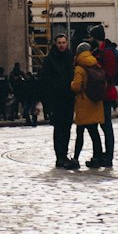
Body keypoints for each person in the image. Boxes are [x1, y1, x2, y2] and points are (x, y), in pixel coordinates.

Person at [39, 33, 78, 169]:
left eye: (63, 42)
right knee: (58, 128)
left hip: (68, 99)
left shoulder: (70, 58)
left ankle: (64, 154)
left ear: (67, 43)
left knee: (67, 128)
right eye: (59, 43)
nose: (61, 45)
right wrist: (47, 104)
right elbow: (44, 82)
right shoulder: (50, 60)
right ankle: (59, 156)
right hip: (56, 100)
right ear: (55, 44)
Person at [70, 41, 105, 169]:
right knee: (95, 134)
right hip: (96, 104)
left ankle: (75, 159)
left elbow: (76, 86)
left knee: (80, 134)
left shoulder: (79, 67)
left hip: (84, 104)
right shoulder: (96, 64)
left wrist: (71, 84)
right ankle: (97, 158)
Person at [92, 33, 118, 169]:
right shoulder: (101, 51)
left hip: (105, 94)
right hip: (102, 94)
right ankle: (103, 155)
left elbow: (109, 73)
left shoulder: (107, 53)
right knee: (102, 125)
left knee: (106, 126)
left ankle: (108, 156)